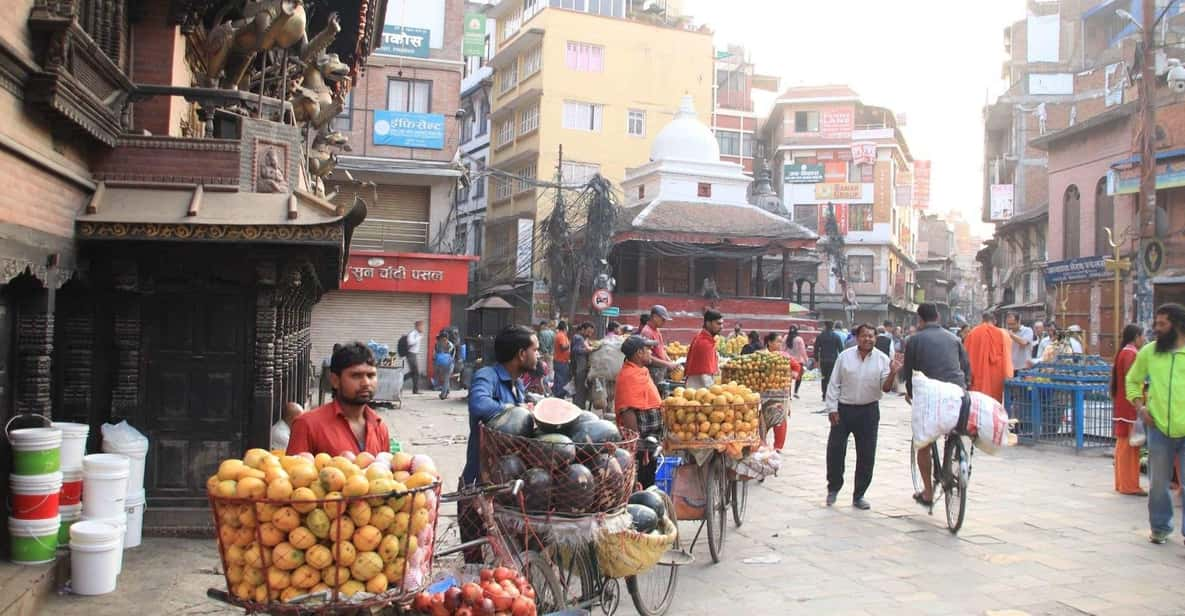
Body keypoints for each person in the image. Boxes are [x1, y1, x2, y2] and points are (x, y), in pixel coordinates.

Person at [824, 324, 902, 510]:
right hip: (843, 410)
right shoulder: (845, 357)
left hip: (868, 411)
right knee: (835, 450)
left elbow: (886, 388)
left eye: (871, 336)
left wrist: (893, 372)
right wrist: (832, 409)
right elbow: (834, 383)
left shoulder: (883, 359)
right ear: (857, 337)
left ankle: (859, 495)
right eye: (864, 336)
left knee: (866, 455)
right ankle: (833, 488)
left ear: (875, 338)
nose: (868, 339)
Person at [1125, 304, 1185, 544]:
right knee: (1158, 484)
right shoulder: (1149, 352)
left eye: (1162, 324)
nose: (1156, 329)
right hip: (1158, 428)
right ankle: (1160, 527)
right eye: (1156, 324)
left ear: (1178, 325)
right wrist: (1140, 408)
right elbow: (1132, 381)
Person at [901, 303, 972, 507]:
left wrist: (911, 395)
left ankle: (928, 493)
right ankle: (955, 455)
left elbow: (909, 374)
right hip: (957, 393)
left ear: (919, 319)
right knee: (953, 430)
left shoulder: (914, 340)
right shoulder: (955, 338)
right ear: (938, 317)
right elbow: (966, 369)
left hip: (930, 396)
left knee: (923, 443)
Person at [463, 325, 537, 485]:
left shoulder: (518, 384)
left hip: (510, 478)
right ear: (522, 354)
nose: (538, 355)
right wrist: (513, 409)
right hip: (481, 481)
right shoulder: (488, 375)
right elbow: (479, 404)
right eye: (535, 350)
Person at [288, 342, 390, 456]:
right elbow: (294, 471)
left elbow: (384, 471)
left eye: (371, 375)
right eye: (356, 376)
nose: (366, 383)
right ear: (335, 380)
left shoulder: (379, 427)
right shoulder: (307, 425)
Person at [614, 335, 664, 488]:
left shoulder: (642, 371)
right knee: (642, 483)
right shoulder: (628, 376)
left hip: (651, 439)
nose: (651, 352)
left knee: (649, 478)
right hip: (641, 443)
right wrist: (637, 442)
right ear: (638, 353)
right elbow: (627, 411)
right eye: (648, 349)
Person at [1112, 323, 1147, 497]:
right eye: (1142, 336)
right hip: (1129, 405)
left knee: (1123, 445)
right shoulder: (1131, 354)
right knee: (1130, 447)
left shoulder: (1125, 352)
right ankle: (1129, 484)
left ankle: (1122, 482)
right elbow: (1133, 380)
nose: (1144, 339)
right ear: (1136, 337)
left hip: (1123, 404)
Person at [964, 312, 1012, 403]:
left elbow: (965, 356)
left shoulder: (972, 333)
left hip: (976, 375)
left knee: (978, 403)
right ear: (995, 321)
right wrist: (1008, 375)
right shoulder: (1002, 334)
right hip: (996, 377)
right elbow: (1007, 357)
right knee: (994, 403)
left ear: (982, 320)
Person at [765, 332, 795, 452]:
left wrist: (789, 377)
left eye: (781, 341)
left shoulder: (784, 356)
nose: (780, 344)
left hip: (780, 394)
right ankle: (761, 443)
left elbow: (796, 367)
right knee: (762, 420)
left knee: (780, 421)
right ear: (769, 343)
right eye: (778, 341)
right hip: (763, 393)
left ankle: (778, 446)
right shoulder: (761, 355)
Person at [640, 305, 678, 385]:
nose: (664, 322)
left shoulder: (657, 330)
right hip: (653, 372)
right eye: (663, 319)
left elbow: (661, 350)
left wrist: (669, 361)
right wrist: (667, 364)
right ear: (654, 317)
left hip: (660, 371)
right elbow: (647, 357)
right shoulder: (647, 332)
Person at [685, 310, 723, 389]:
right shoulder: (704, 342)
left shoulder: (702, 338)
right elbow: (705, 374)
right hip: (698, 389)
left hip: (697, 387)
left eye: (722, 324)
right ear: (708, 323)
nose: (721, 326)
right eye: (718, 323)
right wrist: (714, 391)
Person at [814, 320, 845, 401]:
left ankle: (824, 395)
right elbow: (841, 349)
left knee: (824, 378)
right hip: (833, 359)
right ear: (832, 327)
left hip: (823, 359)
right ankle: (831, 394)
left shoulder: (820, 336)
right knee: (832, 377)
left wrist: (816, 359)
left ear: (825, 326)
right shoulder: (836, 336)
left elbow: (816, 348)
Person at [572, 322, 595, 408]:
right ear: (582, 329)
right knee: (580, 390)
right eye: (588, 332)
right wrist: (588, 350)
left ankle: (579, 407)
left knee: (581, 390)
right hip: (579, 369)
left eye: (591, 333)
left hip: (581, 368)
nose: (590, 334)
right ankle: (579, 408)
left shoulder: (583, 339)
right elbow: (576, 350)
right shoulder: (578, 338)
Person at [787, 326, 809, 399]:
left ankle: (788, 394)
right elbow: (802, 350)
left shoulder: (785, 338)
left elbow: (782, 348)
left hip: (788, 360)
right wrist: (806, 360)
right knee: (798, 377)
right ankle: (796, 392)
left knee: (788, 378)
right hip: (798, 361)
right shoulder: (799, 339)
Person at [433, 332, 457, 400]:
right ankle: (446, 391)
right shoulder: (450, 345)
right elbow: (453, 355)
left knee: (446, 379)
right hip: (448, 363)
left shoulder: (437, 344)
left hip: (442, 364)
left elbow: (435, 355)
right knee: (446, 379)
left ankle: (443, 394)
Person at [404, 320, 424, 394]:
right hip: (411, 354)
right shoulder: (413, 334)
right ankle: (415, 390)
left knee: (413, 372)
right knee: (416, 372)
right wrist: (418, 339)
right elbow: (410, 342)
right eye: (421, 326)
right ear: (417, 326)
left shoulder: (418, 334)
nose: (422, 328)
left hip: (414, 354)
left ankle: (400, 381)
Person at [552, 321, 572, 398]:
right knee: (561, 380)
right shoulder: (561, 336)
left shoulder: (562, 335)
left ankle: (557, 395)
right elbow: (563, 347)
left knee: (559, 379)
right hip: (561, 362)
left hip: (561, 361)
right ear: (565, 327)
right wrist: (569, 345)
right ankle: (559, 396)